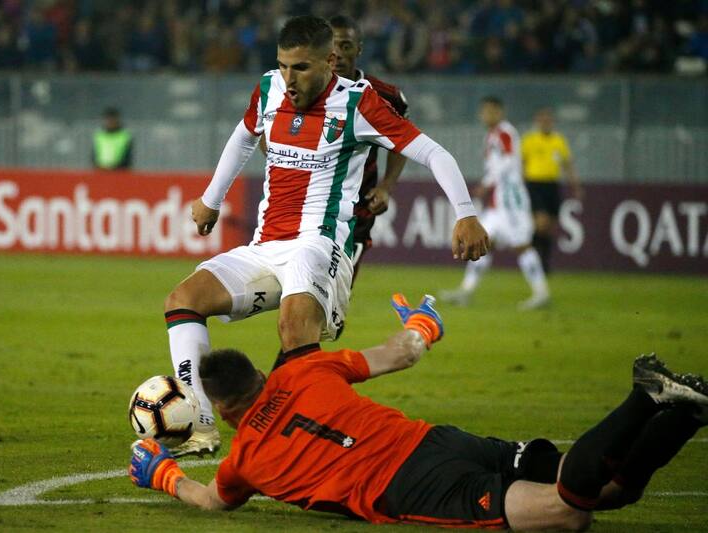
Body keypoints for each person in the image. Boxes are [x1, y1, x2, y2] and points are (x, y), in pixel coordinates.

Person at [165, 16, 489, 456]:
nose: (288, 78)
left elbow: (432, 152)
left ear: (329, 61)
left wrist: (465, 214)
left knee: (293, 329)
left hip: (320, 244)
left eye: (300, 67)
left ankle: (305, 443)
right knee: (183, 300)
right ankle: (201, 424)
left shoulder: (360, 103)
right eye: (282, 66)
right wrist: (211, 199)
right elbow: (244, 138)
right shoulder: (269, 89)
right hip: (267, 244)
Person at [129, 294, 708, 530]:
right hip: (436, 441)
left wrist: (163, 473)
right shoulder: (303, 369)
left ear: (226, 413)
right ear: (261, 375)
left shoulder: (246, 461)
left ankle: (644, 396)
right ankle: (685, 413)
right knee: (607, 492)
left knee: (569, 514)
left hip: (411, 484)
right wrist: (423, 325)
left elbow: (209, 499)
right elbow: (401, 353)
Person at [440, 97, 550, 310]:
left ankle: (541, 292)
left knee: (522, 246)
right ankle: (466, 291)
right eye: (484, 111)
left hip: (511, 201)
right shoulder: (492, 135)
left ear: (500, 112)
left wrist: (487, 182)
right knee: (481, 242)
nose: (486, 115)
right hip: (497, 203)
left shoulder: (505, 132)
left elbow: (508, 162)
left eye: (491, 111)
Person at [328, 14, 409, 284]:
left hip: (356, 210)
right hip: (306, 205)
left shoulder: (383, 96)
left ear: (358, 49)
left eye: (346, 46)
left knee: (334, 300)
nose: (337, 53)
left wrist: (386, 186)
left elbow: (402, 141)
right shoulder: (301, 88)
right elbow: (264, 132)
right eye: (331, 46)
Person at [522, 107, 583, 273]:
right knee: (541, 223)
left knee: (549, 227)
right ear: (537, 122)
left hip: (552, 185)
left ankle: (543, 263)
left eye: (548, 120)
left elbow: (567, 165)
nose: (545, 123)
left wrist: (575, 186)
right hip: (534, 185)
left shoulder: (559, 141)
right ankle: (530, 260)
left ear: (552, 122)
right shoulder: (530, 140)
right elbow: (521, 163)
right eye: (542, 120)